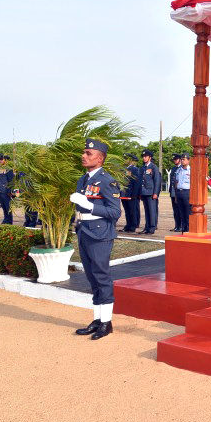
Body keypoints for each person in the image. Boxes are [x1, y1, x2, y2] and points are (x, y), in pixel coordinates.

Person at [69, 139, 121, 340]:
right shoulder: (83, 179)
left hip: (100, 234)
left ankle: (107, 322)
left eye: (88, 153)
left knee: (101, 276)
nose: (83, 156)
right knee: (92, 278)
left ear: (100, 159)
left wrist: (89, 205)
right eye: (84, 152)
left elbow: (115, 212)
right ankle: (98, 319)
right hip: (84, 230)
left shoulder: (107, 181)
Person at [138, 149, 161, 235]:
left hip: (151, 193)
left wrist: (155, 193)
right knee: (147, 211)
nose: (144, 158)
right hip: (144, 192)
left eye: (146, 156)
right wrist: (140, 193)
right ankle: (147, 227)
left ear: (150, 157)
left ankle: (152, 228)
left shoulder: (154, 167)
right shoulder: (142, 168)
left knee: (152, 211)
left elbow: (157, 181)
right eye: (143, 157)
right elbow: (140, 181)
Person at [121, 153, 141, 233]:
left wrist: (135, 194)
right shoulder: (123, 169)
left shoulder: (134, 169)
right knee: (127, 211)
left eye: (126, 159)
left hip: (131, 193)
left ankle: (133, 226)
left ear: (130, 160)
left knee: (132, 211)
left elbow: (136, 182)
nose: (125, 160)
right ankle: (128, 225)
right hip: (124, 193)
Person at [175, 152, 191, 233]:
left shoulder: (191, 170)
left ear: (188, 160)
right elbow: (176, 182)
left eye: (184, 159)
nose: (182, 161)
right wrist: (176, 196)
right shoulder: (178, 170)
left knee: (188, 212)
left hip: (187, 192)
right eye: (181, 159)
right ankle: (183, 229)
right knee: (181, 213)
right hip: (179, 192)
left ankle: (188, 229)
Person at [0, 154, 14, 224]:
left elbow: (11, 181)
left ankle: (9, 221)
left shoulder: (9, 169)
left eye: (1, 159)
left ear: (5, 160)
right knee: (3, 207)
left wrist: (9, 191)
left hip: (5, 191)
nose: (0, 161)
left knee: (8, 207)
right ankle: (6, 219)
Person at [169, 153, 182, 232]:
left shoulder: (181, 168)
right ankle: (177, 225)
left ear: (180, 160)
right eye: (174, 159)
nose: (175, 161)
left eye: (176, 159)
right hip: (173, 192)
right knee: (175, 211)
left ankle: (181, 226)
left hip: (178, 192)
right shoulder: (174, 168)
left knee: (180, 210)